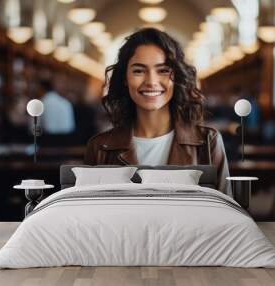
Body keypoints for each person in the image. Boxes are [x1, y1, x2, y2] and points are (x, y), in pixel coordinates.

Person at [84, 28, 231, 195]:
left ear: (177, 77)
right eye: (138, 71)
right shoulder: (99, 147)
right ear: (125, 78)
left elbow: (226, 212)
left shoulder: (208, 142)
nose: (151, 82)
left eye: (163, 70)